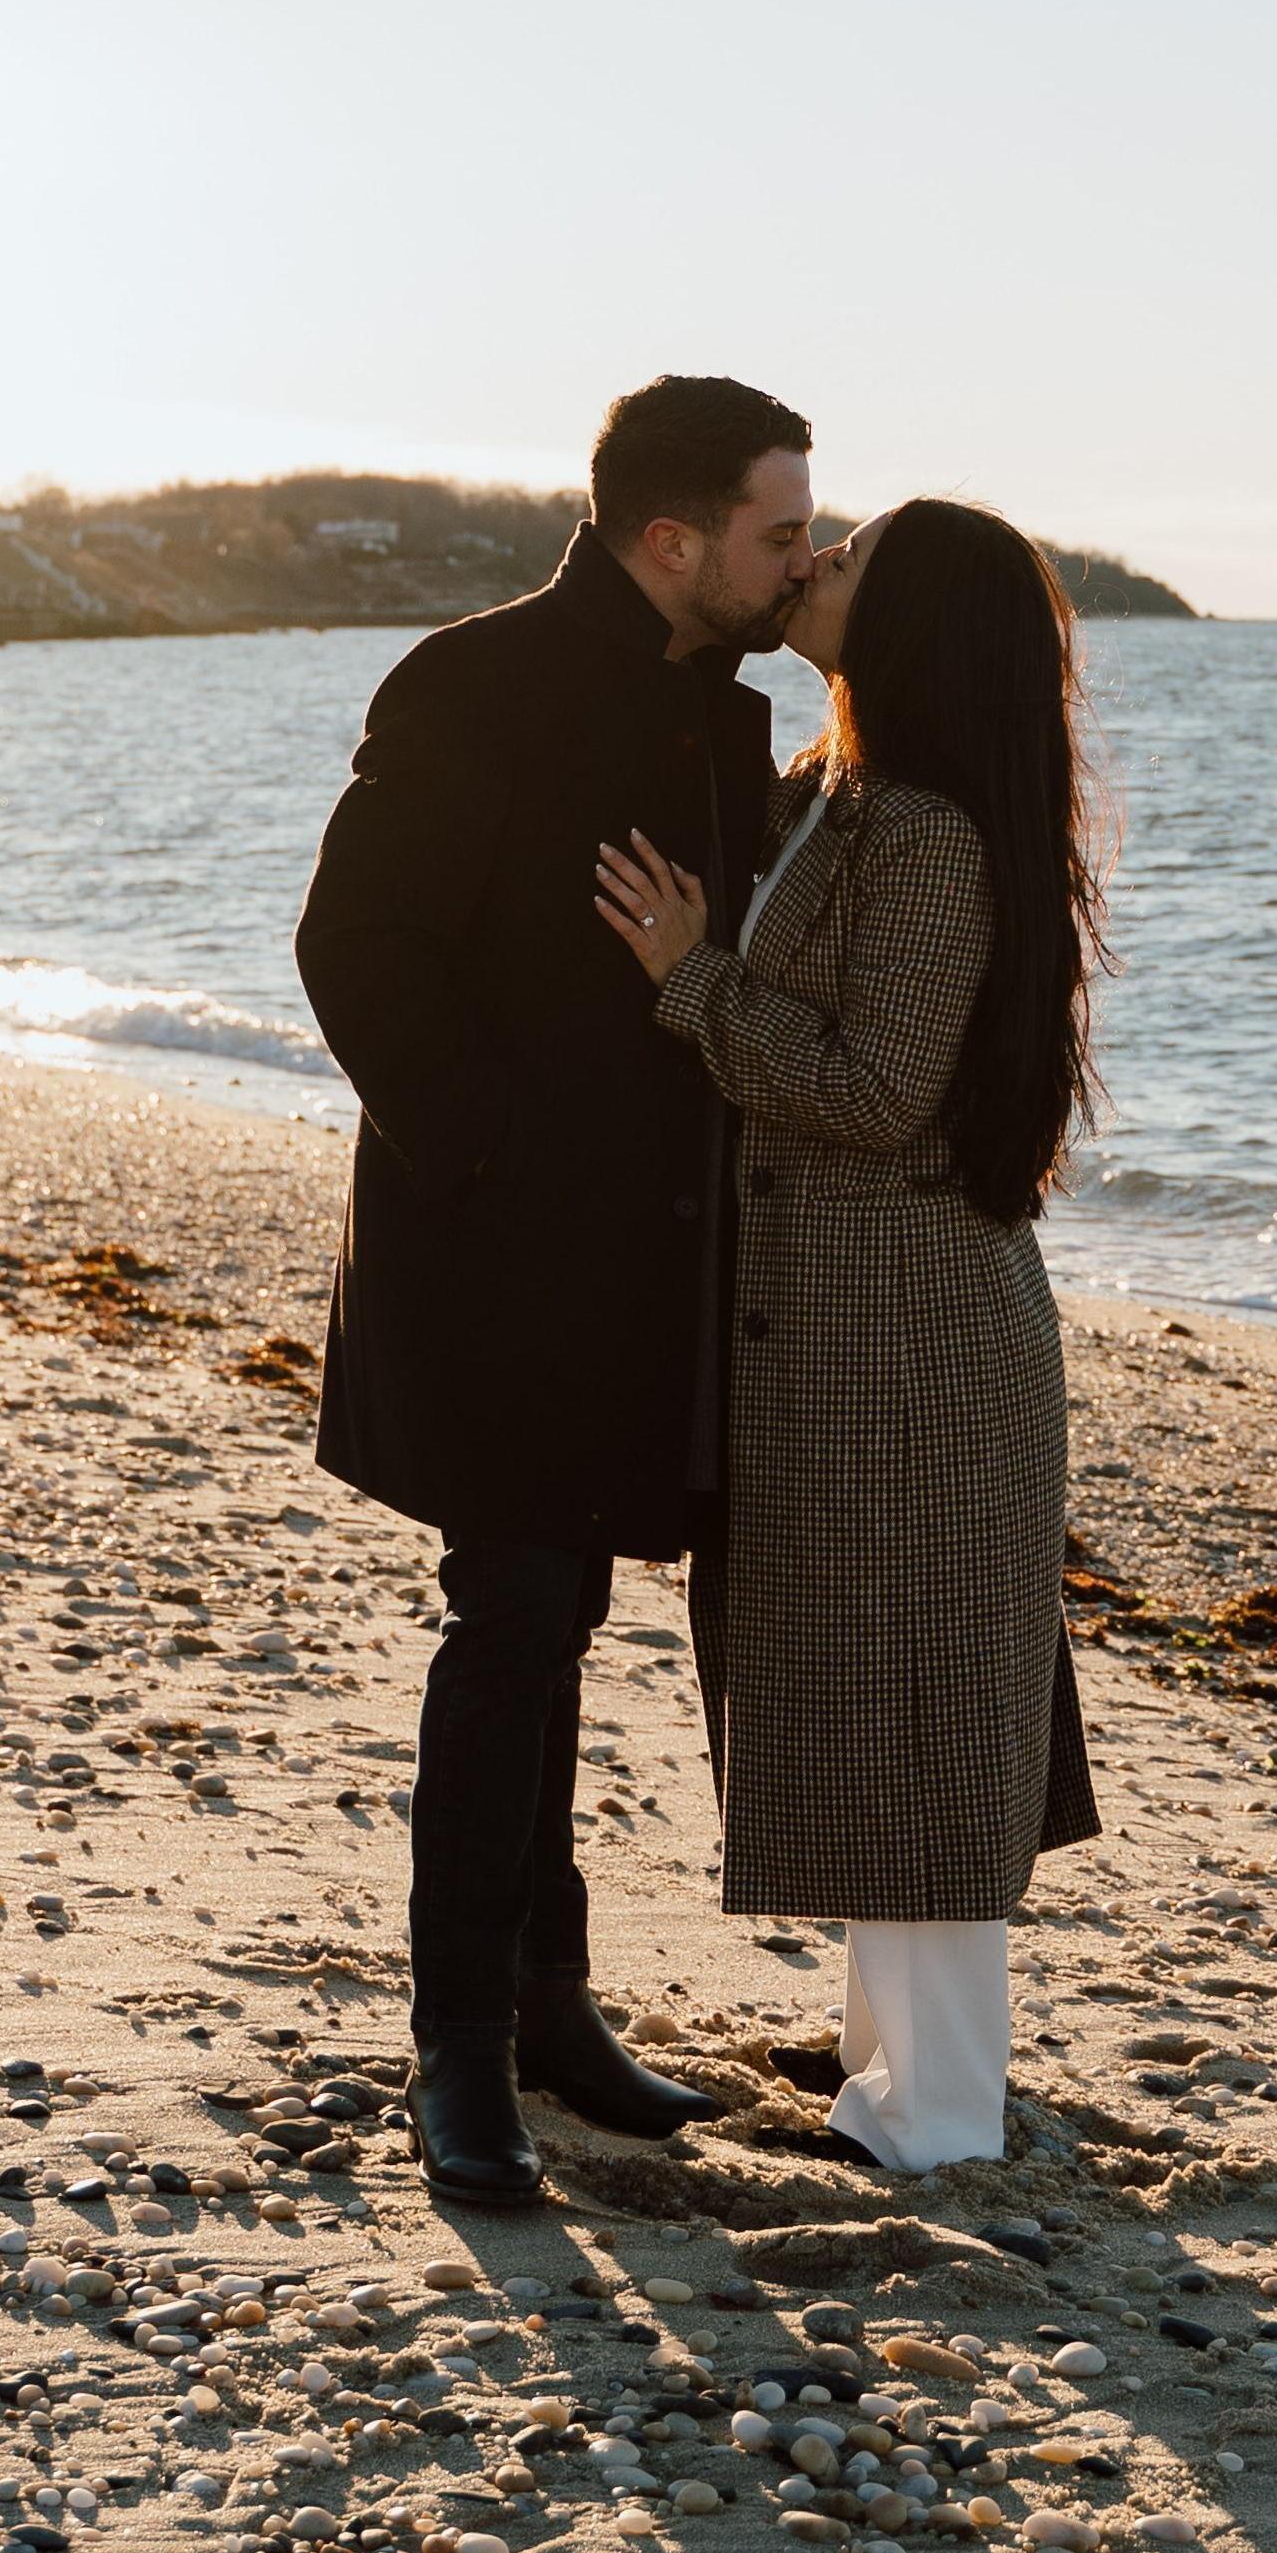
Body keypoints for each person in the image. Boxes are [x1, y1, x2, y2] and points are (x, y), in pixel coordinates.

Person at [296, 373, 818, 2209]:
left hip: (650, 1265)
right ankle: (457, 2056)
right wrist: (499, 1164)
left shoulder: (721, 717)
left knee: (564, 1618)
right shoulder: (475, 681)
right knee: (512, 1618)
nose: (800, 557)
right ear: (672, 539)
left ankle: (549, 2005)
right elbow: (351, 950)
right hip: (495, 1256)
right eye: (779, 530)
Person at [594, 497, 1103, 2172]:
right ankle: (888, 2087)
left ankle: (945, 2118)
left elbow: (878, 1093)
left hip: (917, 1345)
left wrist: (690, 977)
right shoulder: (829, 791)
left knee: (921, 1717)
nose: (813, 562)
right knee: (862, 1708)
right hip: (830, 1332)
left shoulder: (932, 833)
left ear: (917, 628)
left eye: (850, 556)